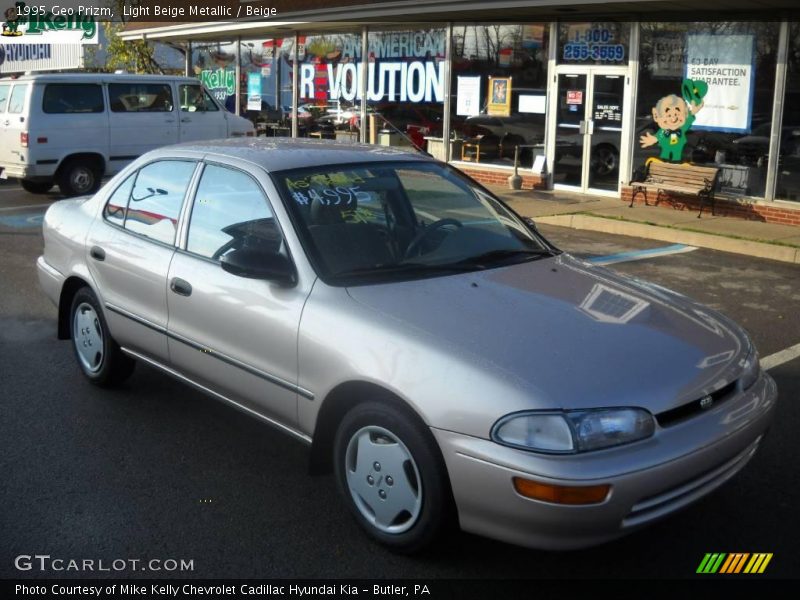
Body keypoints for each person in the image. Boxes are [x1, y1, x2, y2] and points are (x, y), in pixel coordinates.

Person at [640, 78, 707, 163]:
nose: (673, 118)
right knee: (665, 154)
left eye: (677, 114)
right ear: (657, 115)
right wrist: (653, 139)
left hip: (677, 148)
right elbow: (659, 136)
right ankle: (666, 162)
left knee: (676, 156)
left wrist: (693, 111)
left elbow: (688, 121)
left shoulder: (681, 128)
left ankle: (673, 163)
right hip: (667, 147)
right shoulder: (665, 131)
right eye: (669, 115)